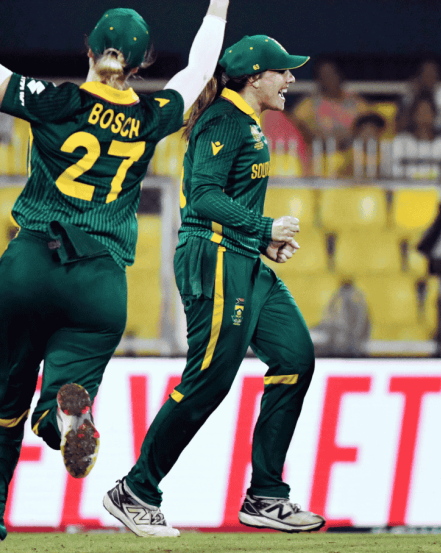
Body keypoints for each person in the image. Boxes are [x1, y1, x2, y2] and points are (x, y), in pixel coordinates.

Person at [0, 0, 232, 551]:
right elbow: (199, 69)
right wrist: (218, 2)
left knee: (2, 407)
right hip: (98, 283)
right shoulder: (150, 116)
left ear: (88, 50)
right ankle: (63, 418)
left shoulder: (55, 100)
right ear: (141, 65)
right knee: (63, 393)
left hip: (31, 263)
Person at [103, 35, 323, 537]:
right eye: (281, 70)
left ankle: (267, 495)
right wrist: (265, 228)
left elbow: (222, 199)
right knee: (208, 381)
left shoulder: (244, 120)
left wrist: (259, 242)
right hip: (216, 260)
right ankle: (136, 490)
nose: (290, 78)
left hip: (242, 257)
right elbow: (201, 198)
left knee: (294, 359)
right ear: (253, 77)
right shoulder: (224, 120)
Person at [292, 59, 368, 151]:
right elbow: (294, 124)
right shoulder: (310, 103)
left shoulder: (356, 102)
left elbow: (370, 124)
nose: (329, 79)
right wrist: (314, 136)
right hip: (322, 155)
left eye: (332, 74)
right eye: (323, 76)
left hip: (353, 155)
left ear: (340, 75)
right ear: (318, 80)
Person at [392, 96, 441, 179]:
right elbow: (395, 174)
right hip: (407, 191)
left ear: (435, 115)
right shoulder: (401, 141)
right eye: (420, 112)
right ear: (413, 115)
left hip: (437, 191)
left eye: (427, 112)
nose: (424, 116)